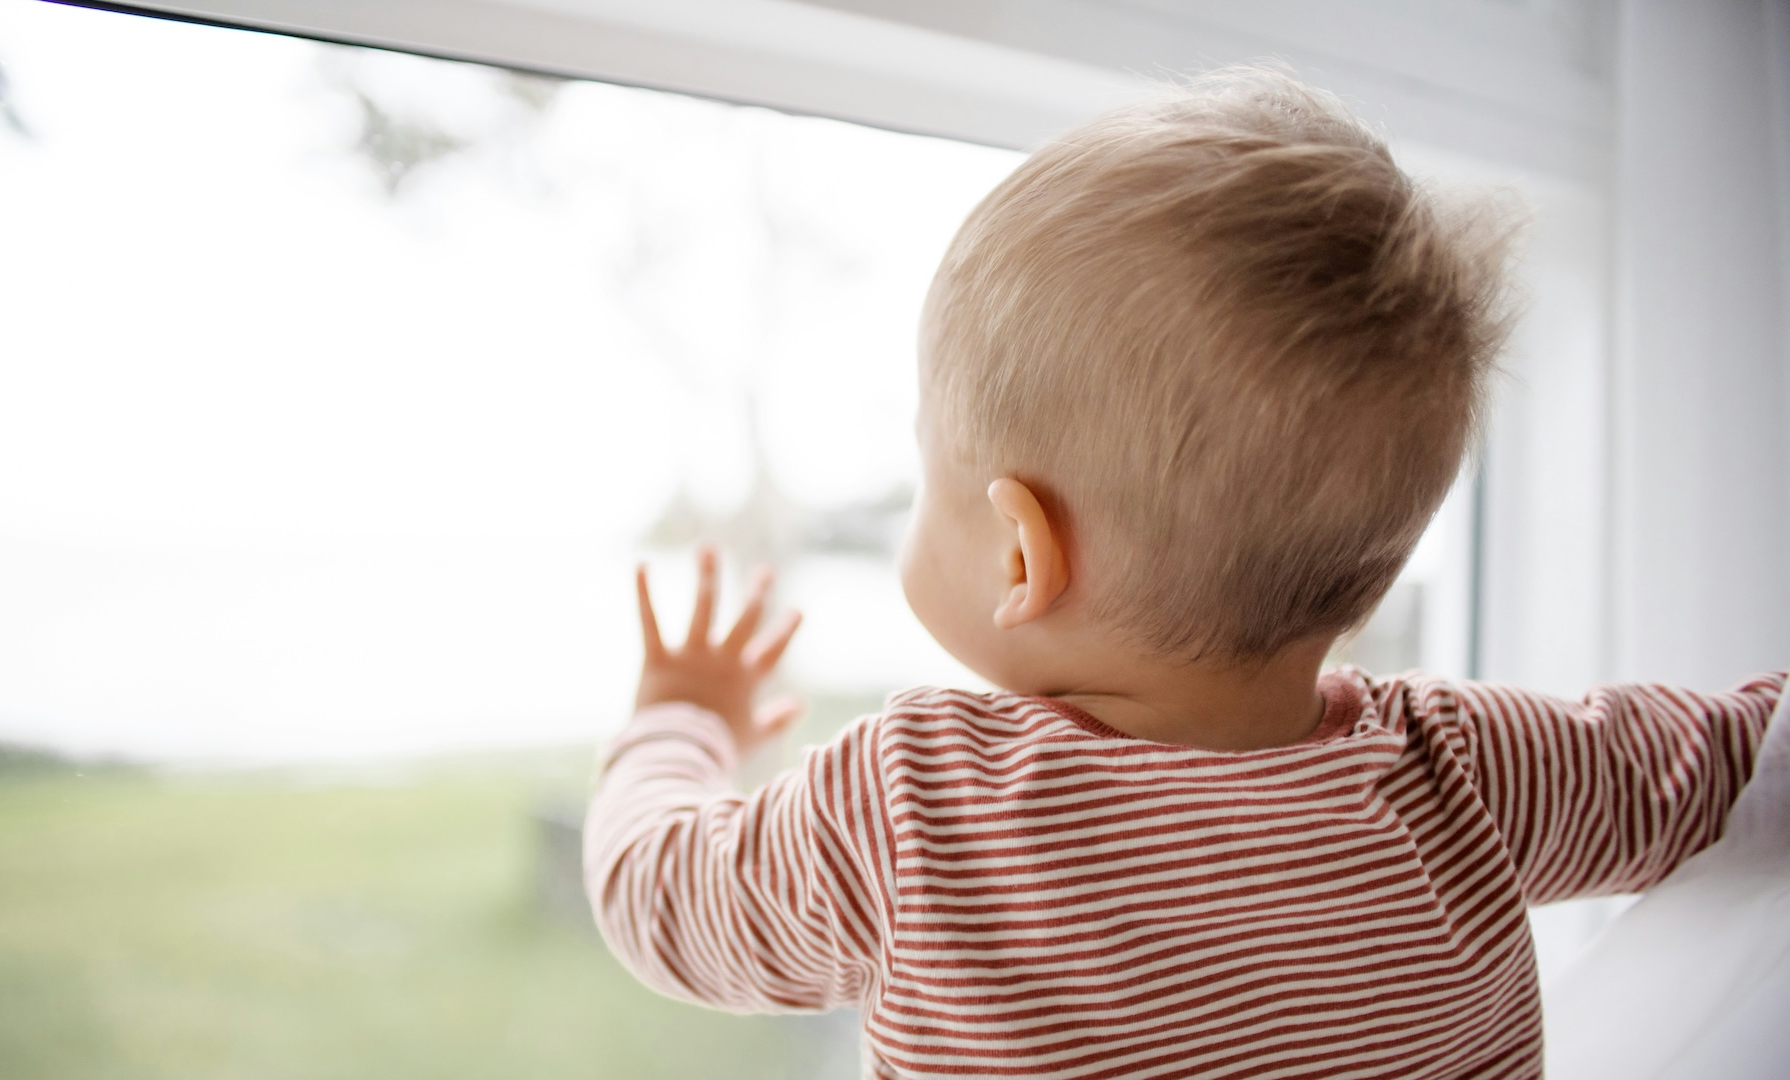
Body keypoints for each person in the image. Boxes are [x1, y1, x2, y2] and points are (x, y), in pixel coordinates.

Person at [581, 68, 1782, 1079]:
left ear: (1020, 553)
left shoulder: (914, 806)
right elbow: (1735, 756)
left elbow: (660, 898)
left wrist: (676, 721)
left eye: (924, 464)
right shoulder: (1467, 771)